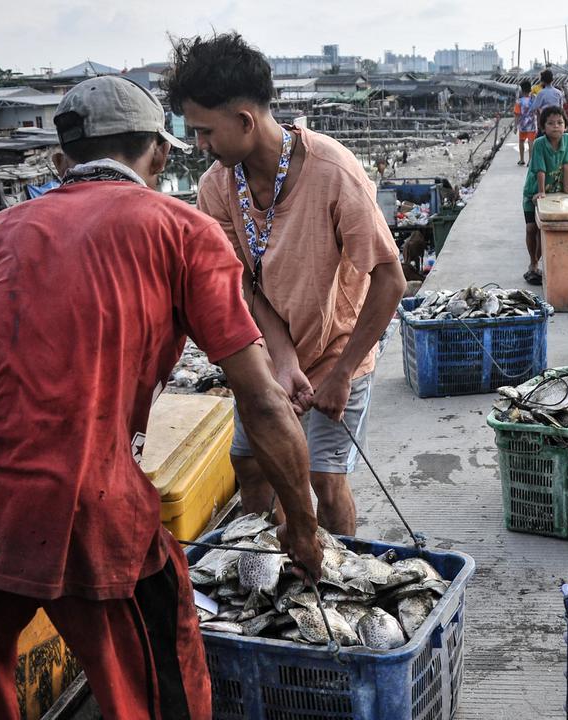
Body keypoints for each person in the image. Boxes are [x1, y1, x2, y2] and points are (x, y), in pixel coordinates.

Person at [0, 75, 324, 720]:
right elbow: (261, 401)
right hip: (87, 507)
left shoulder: (3, 228)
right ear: (160, 153)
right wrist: (303, 528)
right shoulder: (185, 230)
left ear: (63, 158)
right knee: (161, 690)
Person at [166, 33, 406, 536]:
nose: (200, 145)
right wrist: (282, 359)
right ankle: (273, 563)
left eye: (205, 131)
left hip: (339, 350)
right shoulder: (216, 187)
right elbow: (244, 283)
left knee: (325, 480)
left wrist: (341, 374)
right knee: (253, 468)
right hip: (271, 355)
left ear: (245, 121)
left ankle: (339, 571)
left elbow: (390, 279)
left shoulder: (333, 172)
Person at [521, 105, 568, 285]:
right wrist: (541, 191)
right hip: (533, 190)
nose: (556, 126)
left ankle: (538, 262)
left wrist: (567, 188)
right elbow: (540, 169)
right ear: (543, 127)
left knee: (543, 230)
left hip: (554, 190)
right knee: (531, 228)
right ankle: (532, 261)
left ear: (565, 126)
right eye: (551, 123)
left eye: (560, 123)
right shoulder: (539, 143)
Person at [514, 81, 536, 166]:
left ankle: (522, 159)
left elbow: (517, 115)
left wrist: (515, 127)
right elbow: (537, 110)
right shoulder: (533, 99)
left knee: (521, 141)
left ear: (521, 90)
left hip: (522, 125)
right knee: (531, 142)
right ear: (530, 89)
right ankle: (530, 160)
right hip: (532, 124)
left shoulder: (519, 102)